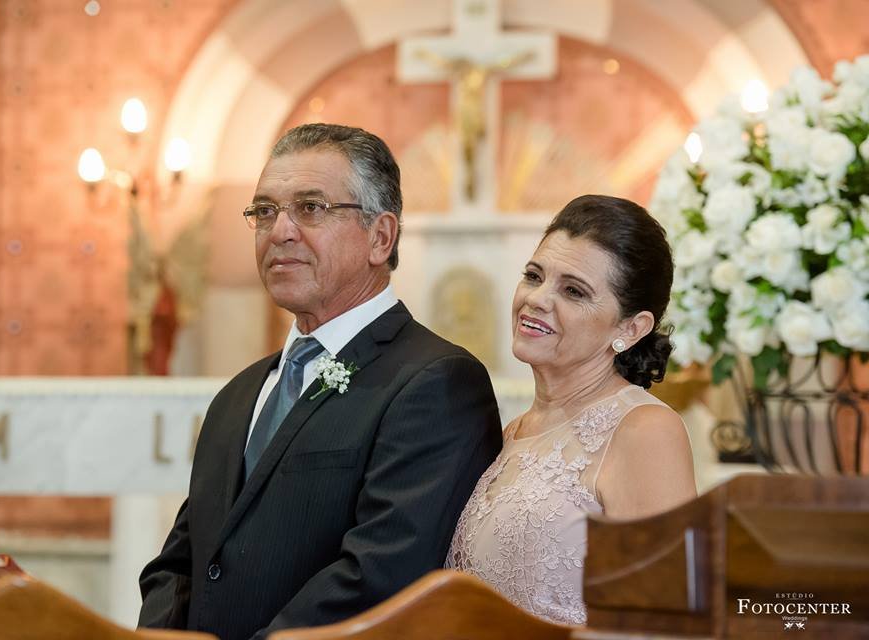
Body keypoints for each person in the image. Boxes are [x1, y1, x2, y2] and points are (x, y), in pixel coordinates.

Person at [138, 123, 503, 640]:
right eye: (265, 211)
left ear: (381, 237)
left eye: (310, 208)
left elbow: (382, 575)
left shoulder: (436, 382)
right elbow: (181, 563)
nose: (280, 231)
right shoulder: (238, 395)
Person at [446, 194, 697, 625]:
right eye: (534, 276)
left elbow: (668, 619)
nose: (537, 299)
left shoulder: (644, 431)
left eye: (573, 291)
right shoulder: (514, 432)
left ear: (630, 328)